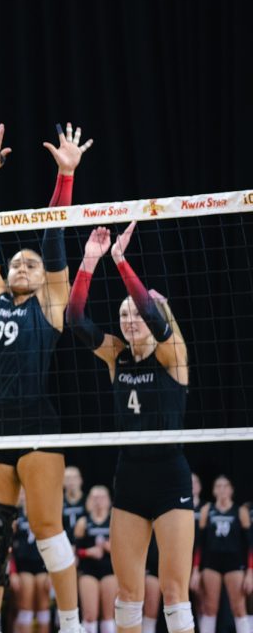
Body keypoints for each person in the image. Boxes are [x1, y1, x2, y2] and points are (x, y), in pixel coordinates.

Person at [0, 122, 92, 633]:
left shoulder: (51, 305)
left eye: (31, 264)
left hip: (38, 427)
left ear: (45, 279)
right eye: (17, 262)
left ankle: (72, 624)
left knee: (46, 532)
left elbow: (54, 238)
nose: (22, 264)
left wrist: (65, 177)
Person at [66, 223, 196, 633]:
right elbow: (75, 320)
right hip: (130, 477)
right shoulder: (115, 356)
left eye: (134, 312)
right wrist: (89, 262)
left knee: (175, 594)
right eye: (123, 314)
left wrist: (121, 260)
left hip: (169, 474)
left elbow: (157, 322)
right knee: (128, 596)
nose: (129, 319)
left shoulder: (172, 354)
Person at [197, 476, 249, 633]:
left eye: (226, 486)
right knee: (209, 608)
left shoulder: (240, 511)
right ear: (213, 490)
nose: (222, 489)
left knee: (239, 608)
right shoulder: (207, 510)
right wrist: (195, 570)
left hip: (234, 564)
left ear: (231, 490)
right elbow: (199, 544)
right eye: (218, 486)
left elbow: (250, 544)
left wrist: (250, 572)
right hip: (211, 564)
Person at [74, 486, 118, 633]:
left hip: (109, 571)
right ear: (89, 501)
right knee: (90, 615)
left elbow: (125, 550)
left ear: (109, 500)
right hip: (89, 571)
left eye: (102, 497)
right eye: (95, 497)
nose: (98, 501)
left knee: (108, 616)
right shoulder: (83, 522)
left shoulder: (114, 521)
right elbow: (74, 552)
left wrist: (110, 548)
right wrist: (88, 552)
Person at [12, 490, 52, 633]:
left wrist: (52, 574)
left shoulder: (45, 514)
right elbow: (8, 547)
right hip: (23, 566)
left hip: (43, 566)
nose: (27, 496)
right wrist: (12, 573)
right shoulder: (15, 516)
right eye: (22, 492)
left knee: (43, 607)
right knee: (25, 606)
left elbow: (54, 545)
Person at [64, 467, 88, 535]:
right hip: (63, 541)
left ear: (81, 480)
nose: (71, 481)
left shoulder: (88, 500)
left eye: (74, 478)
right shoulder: (58, 502)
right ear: (62, 481)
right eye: (68, 478)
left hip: (83, 542)